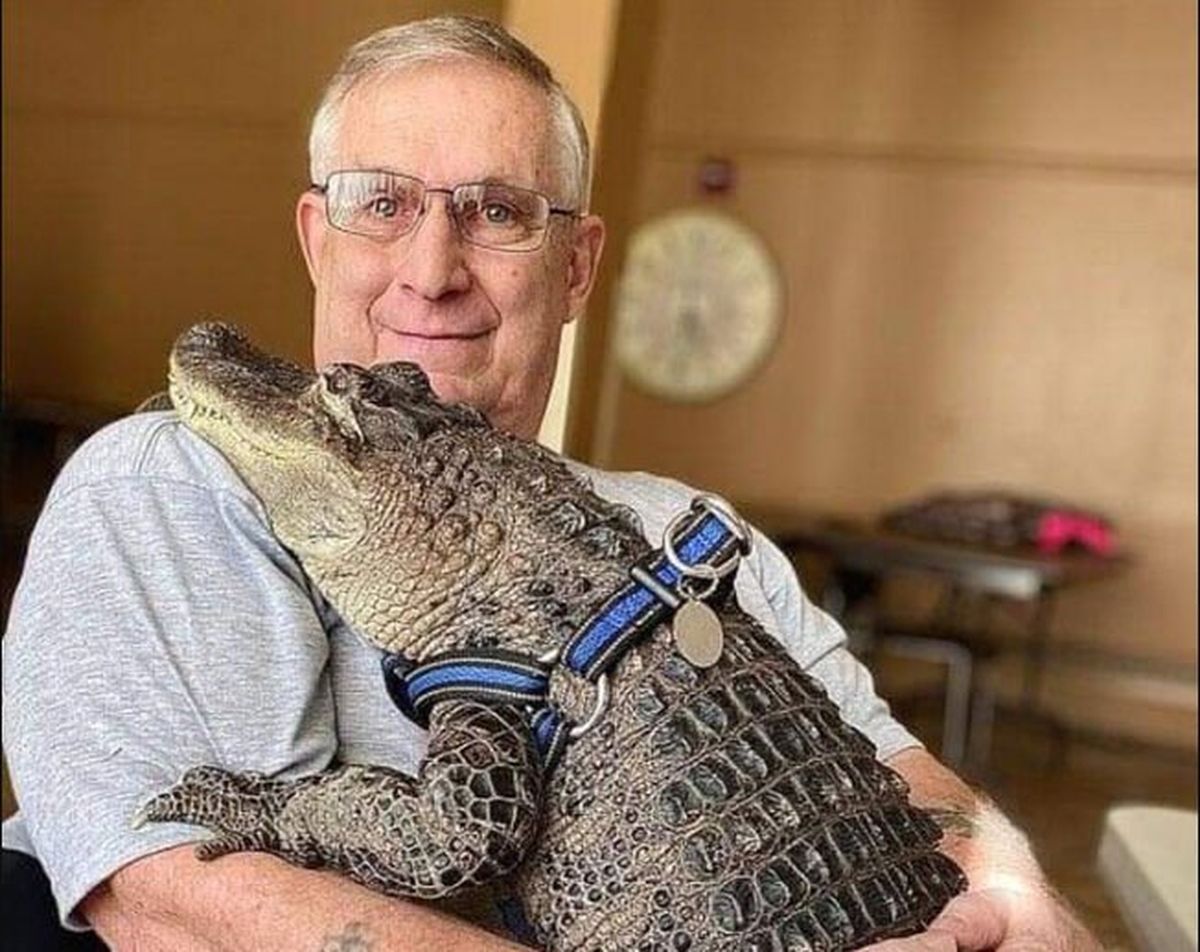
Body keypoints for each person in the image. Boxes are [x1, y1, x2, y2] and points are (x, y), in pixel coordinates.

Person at [2, 15, 1100, 951]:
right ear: (316, 238)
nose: (432, 270)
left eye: (497, 210)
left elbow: (905, 775)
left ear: (575, 265)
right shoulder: (179, 477)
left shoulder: (690, 537)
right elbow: (183, 906)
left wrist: (1011, 884)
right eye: (381, 202)